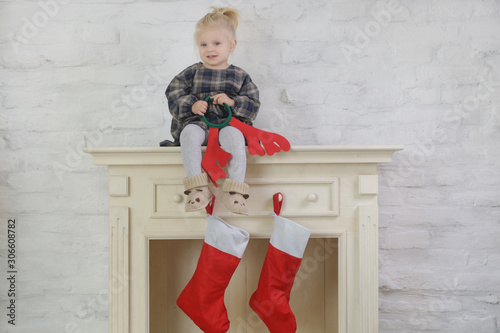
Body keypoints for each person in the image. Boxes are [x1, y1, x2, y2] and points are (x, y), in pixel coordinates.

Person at [165, 7, 260, 214]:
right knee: (188, 134)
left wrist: (233, 102)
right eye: (203, 44)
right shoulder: (192, 72)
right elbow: (173, 91)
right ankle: (198, 188)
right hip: (200, 124)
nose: (210, 49)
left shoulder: (240, 75)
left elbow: (253, 103)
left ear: (232, 45)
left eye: (217, 43)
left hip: (228, 125)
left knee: (235, 138)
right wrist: (192, 104)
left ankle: (235, 191)